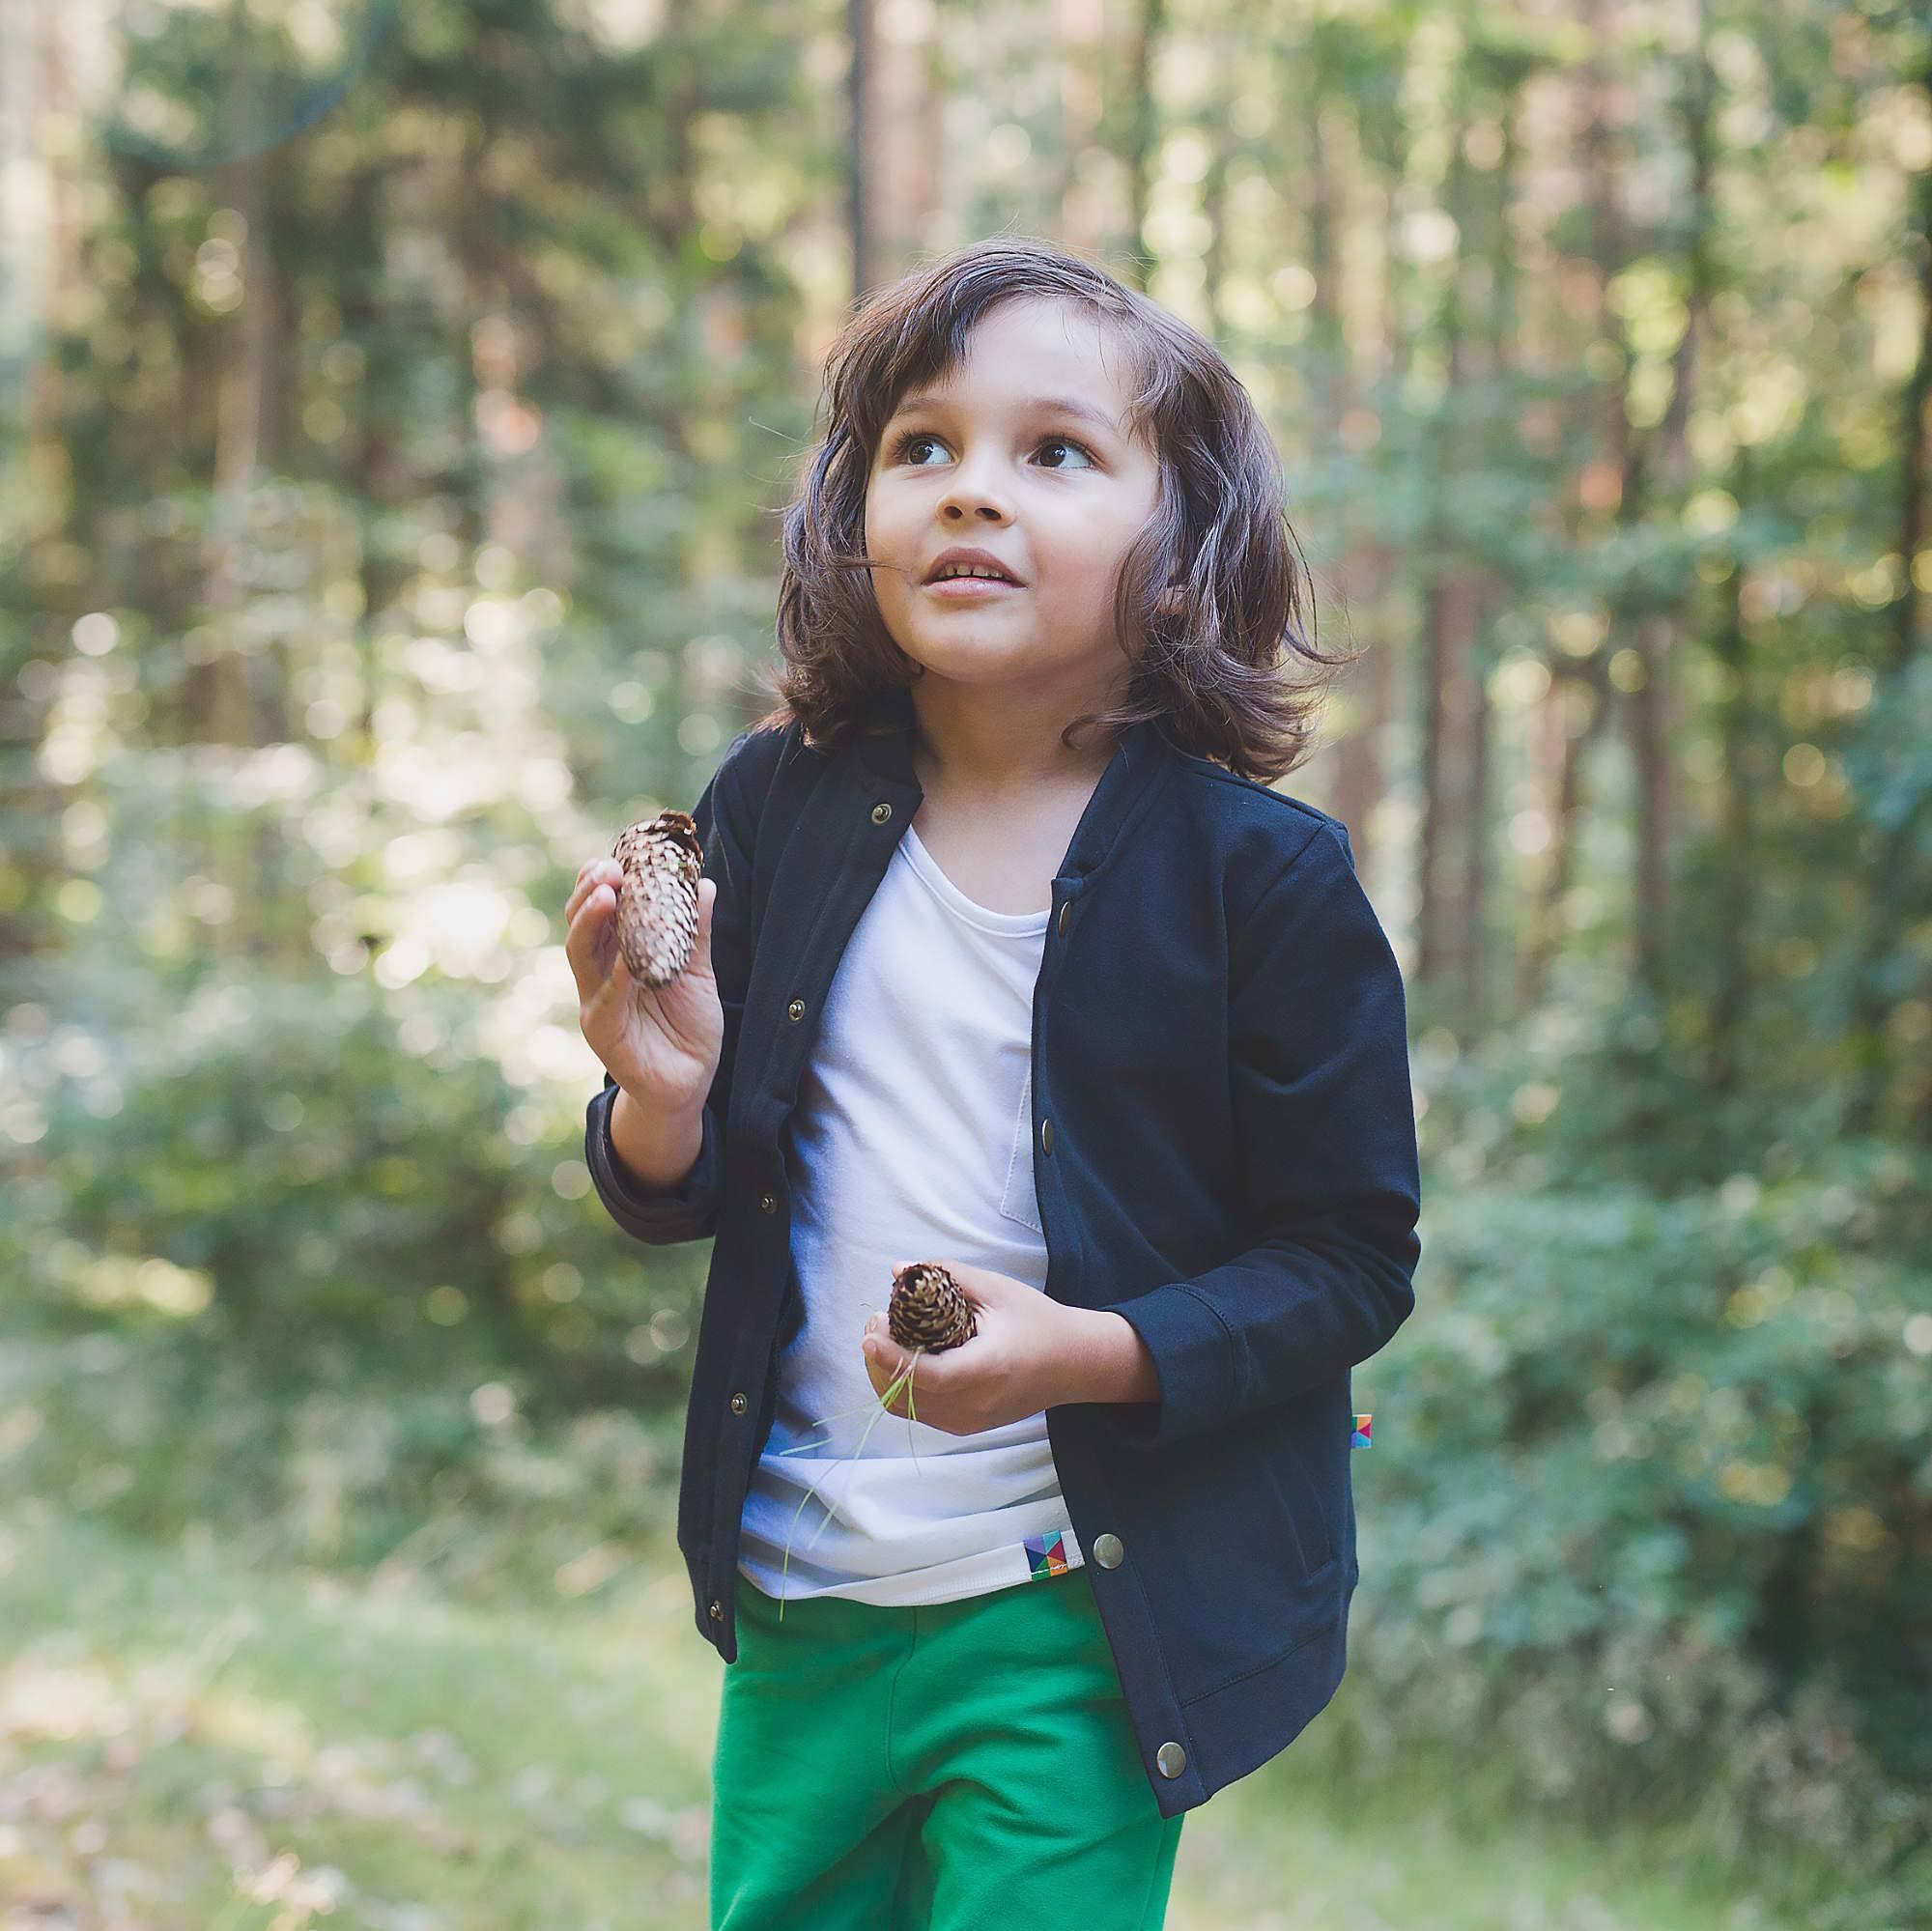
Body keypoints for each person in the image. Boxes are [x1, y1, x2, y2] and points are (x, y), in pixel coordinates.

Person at [566, 235, 1422, 1931]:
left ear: (1183, 542)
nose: (970, 494)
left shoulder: (1262, 883)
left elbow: (1348, 1263)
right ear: (852, 515)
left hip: (1071, 1617)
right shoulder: (777, 807)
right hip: (801, 1592)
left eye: (1054, 453)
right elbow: (697, 1181)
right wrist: (659, 1107)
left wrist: (1085, 1358)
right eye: (922, 448)